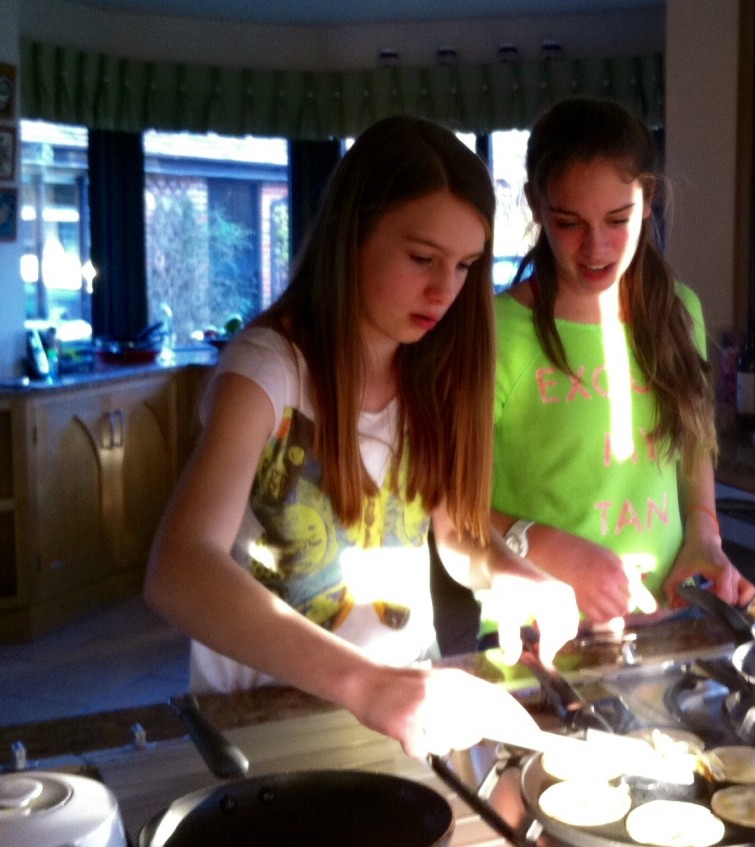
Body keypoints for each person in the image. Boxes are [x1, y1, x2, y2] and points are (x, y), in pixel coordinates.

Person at [145, 115, 579, 760]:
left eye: (464, 266)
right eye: (422, 259)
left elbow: (456, 538)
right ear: (352, 237)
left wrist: (511, 572)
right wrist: (369, 684)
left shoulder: (435, 372)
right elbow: (179, 571)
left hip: (409, 711)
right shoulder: (268, 369)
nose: (445, 291)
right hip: (268, 724)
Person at [486, 97, 755, 633]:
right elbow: (449, 511)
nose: (596, 247)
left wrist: (705, 539)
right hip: (537, 637)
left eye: (618, 219)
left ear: (649, 198)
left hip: (664, 622)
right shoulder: (496, 332)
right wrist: (546, 548)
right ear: (536, 205)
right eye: (568, 222)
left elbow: (692, 458)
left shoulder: (681, 312)